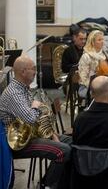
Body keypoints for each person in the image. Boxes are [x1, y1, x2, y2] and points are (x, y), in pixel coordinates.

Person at [0, 56, 71, 188]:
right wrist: (35, 106)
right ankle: (47, 185)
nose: (36, 72)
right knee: (63, 151)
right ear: (23, 72)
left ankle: (60, 183)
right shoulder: (14, 93)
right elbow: (31, 118)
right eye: (33, 69)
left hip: (30, 135)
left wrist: (52, 133)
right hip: (18, 144)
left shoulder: (24, 88)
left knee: (70, 141)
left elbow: (39, 119)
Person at [77, 30, 105, 98]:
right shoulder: (86, 56)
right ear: (92, 42)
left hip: (101, 85)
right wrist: (95, 86)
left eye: (103, 39)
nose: (102, 42)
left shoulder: (103, 55)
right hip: (86, 87)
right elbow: (83, 78)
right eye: (99, 40)